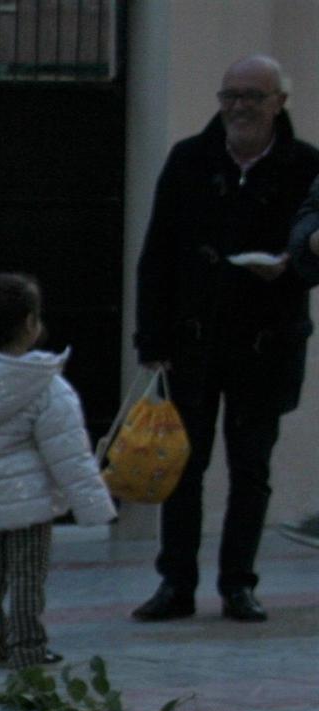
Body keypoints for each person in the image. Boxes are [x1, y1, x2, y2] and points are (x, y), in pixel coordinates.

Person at [133, 55, 319, 625]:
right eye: (230, 95)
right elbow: (158, 250)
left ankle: (238, 583)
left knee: (251, 469)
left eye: (252, 97)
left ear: (279, 103)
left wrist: (289, 265)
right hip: (194, 340)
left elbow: (313, 248)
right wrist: (153, 337)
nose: (239, 106)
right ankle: (176, 583)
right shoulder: (190, 159)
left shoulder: (305, 165)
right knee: (182, 465)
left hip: (267, 342)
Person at [0, 275, 115, 669]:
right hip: (31, 503)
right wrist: (94, 505)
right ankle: (28, 647)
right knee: (27, 578)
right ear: (31, 323)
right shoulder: (46, 386)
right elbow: (70, 453)